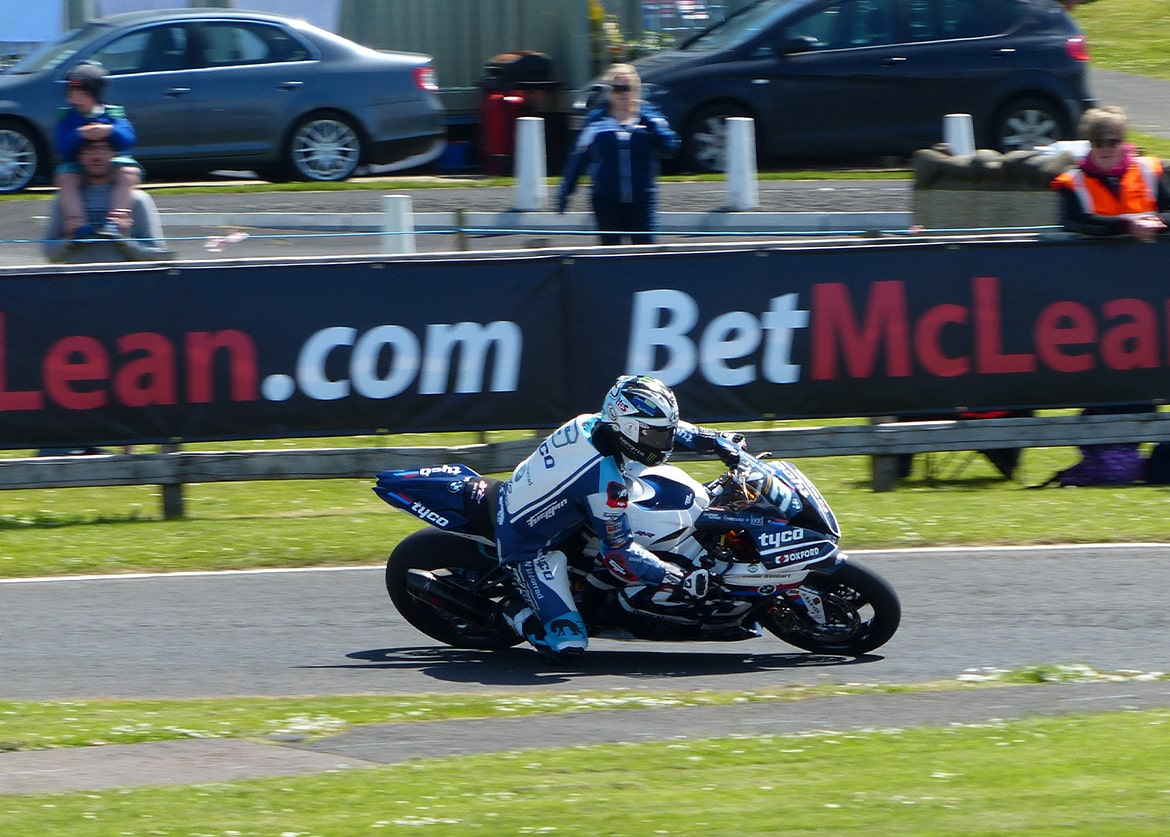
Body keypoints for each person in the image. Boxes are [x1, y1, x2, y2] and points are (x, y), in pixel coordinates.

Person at [497, 374, 746, 657]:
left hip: (559, 505)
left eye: (663, 432)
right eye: (655, 435)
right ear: (626, 427)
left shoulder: (593, 424)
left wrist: (715, 440)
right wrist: (675, 577)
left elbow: (667, 430)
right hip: (527, 545)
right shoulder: (604, 482)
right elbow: (620, 555)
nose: (665, 442)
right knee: (567, 644)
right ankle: (512, 611)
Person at [556, 63, 680, 245]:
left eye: (627, 88)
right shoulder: (596, 122)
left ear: (636, 90)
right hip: (606, 201)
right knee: (611, 256)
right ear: (609, 92)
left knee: (644, 255)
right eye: (617, 88)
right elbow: (578, 159)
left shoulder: (651, 118)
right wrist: (565, 194)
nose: (623, 93)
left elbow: (672, 147)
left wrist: (651, 125)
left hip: (641, 200)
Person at [1050, 105, 1170, 242]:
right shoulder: (1071, 181)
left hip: (1152, 255)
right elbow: (1073, 222)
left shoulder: (1150, 169)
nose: (1105, 149)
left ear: (1123, 143)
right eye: (1098, 143)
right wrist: (1127, 227)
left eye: (1112, 143)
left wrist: (1157, 222)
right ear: (1090, 144)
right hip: (1095, 259)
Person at [43, 137, 170, 264]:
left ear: (114, 153)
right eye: (87, 151)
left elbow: (160, 255)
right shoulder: (65, 199)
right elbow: (50, 256)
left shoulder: (138, 199)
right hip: (76, 281)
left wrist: (124, 241)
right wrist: (69, 240)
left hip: (124, 281)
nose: (96, 157)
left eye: (102, 149)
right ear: (78, 157)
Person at [55, 62, 142, 239]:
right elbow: (62, 147)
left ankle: (116, 220)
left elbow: (129, 139)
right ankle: (78, 223)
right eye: (72, 94)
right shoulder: (68, 117)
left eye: (82, 95)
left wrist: (110, 130)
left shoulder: (112, 114)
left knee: (128, 173)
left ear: (95, 95)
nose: (76, 100)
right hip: (79, 164)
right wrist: (79, 134)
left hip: (111, 163)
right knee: (66, 178)